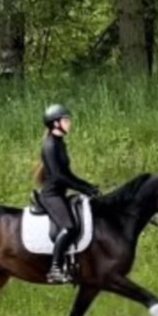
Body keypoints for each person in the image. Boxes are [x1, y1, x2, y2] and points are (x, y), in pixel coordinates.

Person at [36, 103, 99, 283]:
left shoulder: (60, 143)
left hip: (60, 192)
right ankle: (55, 269)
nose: (69, 123)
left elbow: (67, 174)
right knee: (69, 227)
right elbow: (57, 176)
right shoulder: (49, 145)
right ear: (55, 124)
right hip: (51, 195)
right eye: (65, 120)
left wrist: (88, 186)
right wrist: (82, 188)